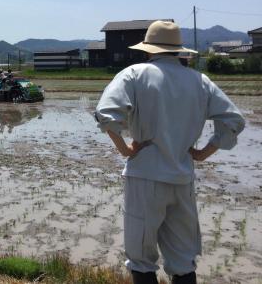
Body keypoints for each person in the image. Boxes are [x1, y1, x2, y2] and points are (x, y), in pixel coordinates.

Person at [94, 20, 245, 284]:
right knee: (183, 259)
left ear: (149, 48)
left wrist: (126, 150)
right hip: (182, 178)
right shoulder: (200, 81)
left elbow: (107, 114)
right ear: (178, 50)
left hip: (145, 177)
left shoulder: (134, 74)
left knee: (141, 258)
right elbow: (234, 120)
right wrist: (202, 153)